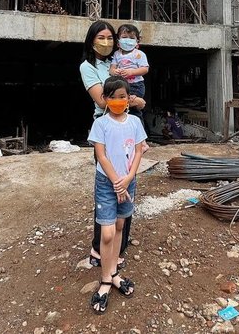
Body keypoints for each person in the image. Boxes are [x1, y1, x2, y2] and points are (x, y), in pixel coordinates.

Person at [79, 21, 145, 269]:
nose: (106, 42)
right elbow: (101, 100)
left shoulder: (119, 60)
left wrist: (136, 101)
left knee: (127, 186)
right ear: (92, 40)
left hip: (127, 130)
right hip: (107, 130)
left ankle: (120, 248)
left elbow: (136, 95)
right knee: (107, 189)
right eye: (101, 38)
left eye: (110, 38)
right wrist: (132, 100)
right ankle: (98, 249)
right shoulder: (88, 67)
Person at [87, 77, 146, 314]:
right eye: (113, 97)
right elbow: (101, 156)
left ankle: (113, 274)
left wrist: (129, 177)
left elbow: (139, 150)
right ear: (105, 100)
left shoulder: (134, 122)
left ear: (128, 98)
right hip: (107, 182)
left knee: (120, 225)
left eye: (123, 97)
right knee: (108, 232)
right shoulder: (100, 124)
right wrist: (116, 182)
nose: (118, 101)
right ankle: (104, 279)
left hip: (127, 181)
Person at [110, 23, 149, 120]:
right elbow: (111, 68)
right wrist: (114, 72)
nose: (128, 40)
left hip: (136, 85)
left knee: (134, 111)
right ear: (118, 41)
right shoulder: (116, 54)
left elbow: (145, 69)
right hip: (122, 85)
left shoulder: (139, 54)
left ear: (137, 42)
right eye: (124, 37)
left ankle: (138, 130)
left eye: (131, 38)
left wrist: (131, 72)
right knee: (121, 110)